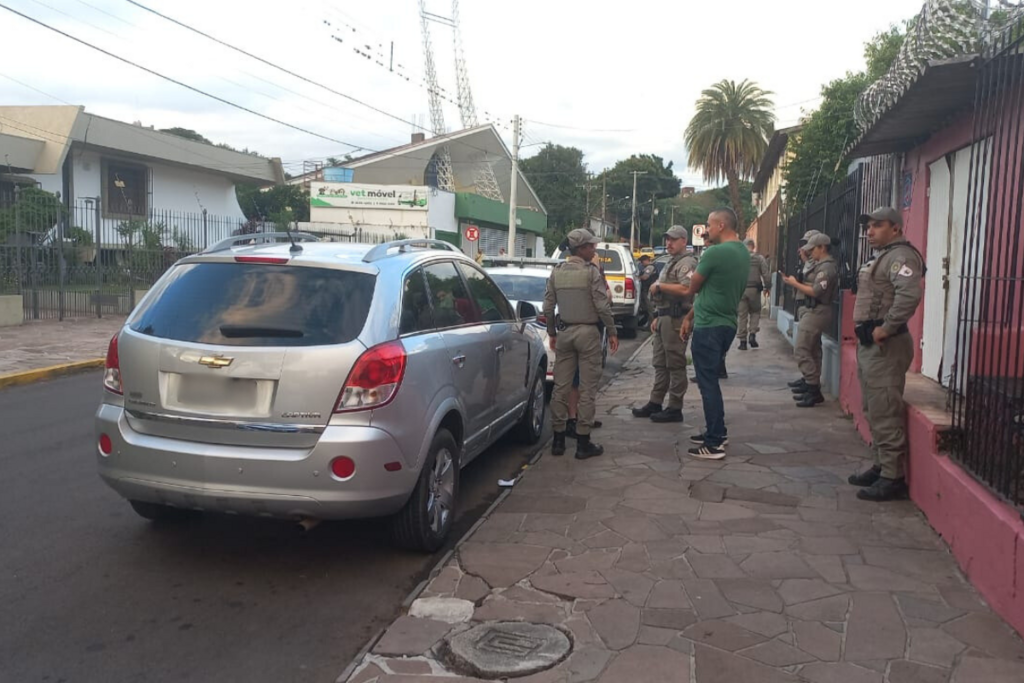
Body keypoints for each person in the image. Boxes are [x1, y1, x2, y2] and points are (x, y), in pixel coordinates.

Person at [848, 207, 924, 502]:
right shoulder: (883, 255)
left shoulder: (901, 256)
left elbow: (908, 295)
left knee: (885, 408)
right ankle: (882, 466)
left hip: (886, 344)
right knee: (873, 407)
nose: (870, 231)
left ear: (895, 228)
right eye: (868, 226)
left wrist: (887, 328)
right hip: (871, 343)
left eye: (877, 226)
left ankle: (893, 477)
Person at [674, 209, 749, 460]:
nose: (706, 229)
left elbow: (692, 287)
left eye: (709, 225)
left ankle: (714, 442)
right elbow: (711, 291)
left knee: (708, 384)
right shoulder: (742, 252)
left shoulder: (715, 252)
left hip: (710, 326)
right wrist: (689, 317)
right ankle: (718, 431)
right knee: (710, 382)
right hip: (726, 322)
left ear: (720, 225)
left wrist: (692, 281)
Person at [544, 228, 619, 459]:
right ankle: (583, 442)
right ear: (582, 248)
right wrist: (612, 331)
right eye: (591, 246)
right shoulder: (591, 272)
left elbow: (548, 307)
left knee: (560, 387)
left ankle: (557, 441)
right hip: (587, 334)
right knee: (587, 389)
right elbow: (602, 306)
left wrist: (552, 332)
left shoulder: (557, 272)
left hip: (565, 332)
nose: (594, 249)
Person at [632, 225, 697, 423]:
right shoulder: (671, 262)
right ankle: (656, 401)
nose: (668, 243)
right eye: (667, 239)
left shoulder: (688, 262)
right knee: (660, 363)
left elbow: (687, 289)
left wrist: (660, 285)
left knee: (675, 364)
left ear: (684, 241)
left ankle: (675, 407)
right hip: (664, 317)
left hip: (677, 318)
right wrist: (659, 316)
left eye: (673, 239)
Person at [781, 233, 838, 407]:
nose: (811, 253)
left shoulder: (827, 268)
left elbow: (816, 291)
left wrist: (793, 283)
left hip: (818, 310)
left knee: (801, 349)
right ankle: (811, 384)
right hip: (813, 309)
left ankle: (813, 388)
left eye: (813, 249)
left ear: (822, 247)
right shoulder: (820, 265)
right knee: (812, 350)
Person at [737, 238, 770, 350]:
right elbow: (766, 274)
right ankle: (752, 334)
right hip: (755, 290)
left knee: (742, 315)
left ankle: (742, 342)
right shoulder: (759, 258)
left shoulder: (738, 258)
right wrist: (767, 287)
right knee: (755, 312)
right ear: (753, 246)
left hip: (741, 290)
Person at [795, 230, 821, 321]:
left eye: (807, 243)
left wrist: (806, 261)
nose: (804, 247)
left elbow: (813, 280)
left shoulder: (817, 261)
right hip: (802, 301)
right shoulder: (806, 260)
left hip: (811, 304)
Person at [637, 254, 657, 320]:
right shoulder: (648, 267)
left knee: (649, 307)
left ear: (646, 260)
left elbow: (645, 277)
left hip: (649, 290)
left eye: (642, 262)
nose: (641, 264)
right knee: (647, 307)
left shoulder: (650, 267)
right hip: (647, 289)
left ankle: (652, 322)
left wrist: (637, 278)